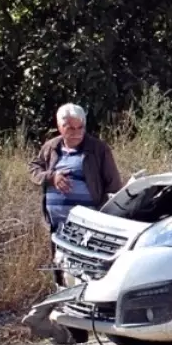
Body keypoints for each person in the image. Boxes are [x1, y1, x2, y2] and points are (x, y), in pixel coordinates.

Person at [27, 103, 123, 279]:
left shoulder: (98, 149)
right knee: (60, 267)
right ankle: (63, 301)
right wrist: (51, 177)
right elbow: (34, 168)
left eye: (80, 127)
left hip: (87, 227)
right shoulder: (51, 147)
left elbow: (114, 184)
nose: (77, 133)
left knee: (84, 272)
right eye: (70, 128)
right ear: (59, 127)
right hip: (57, 225)